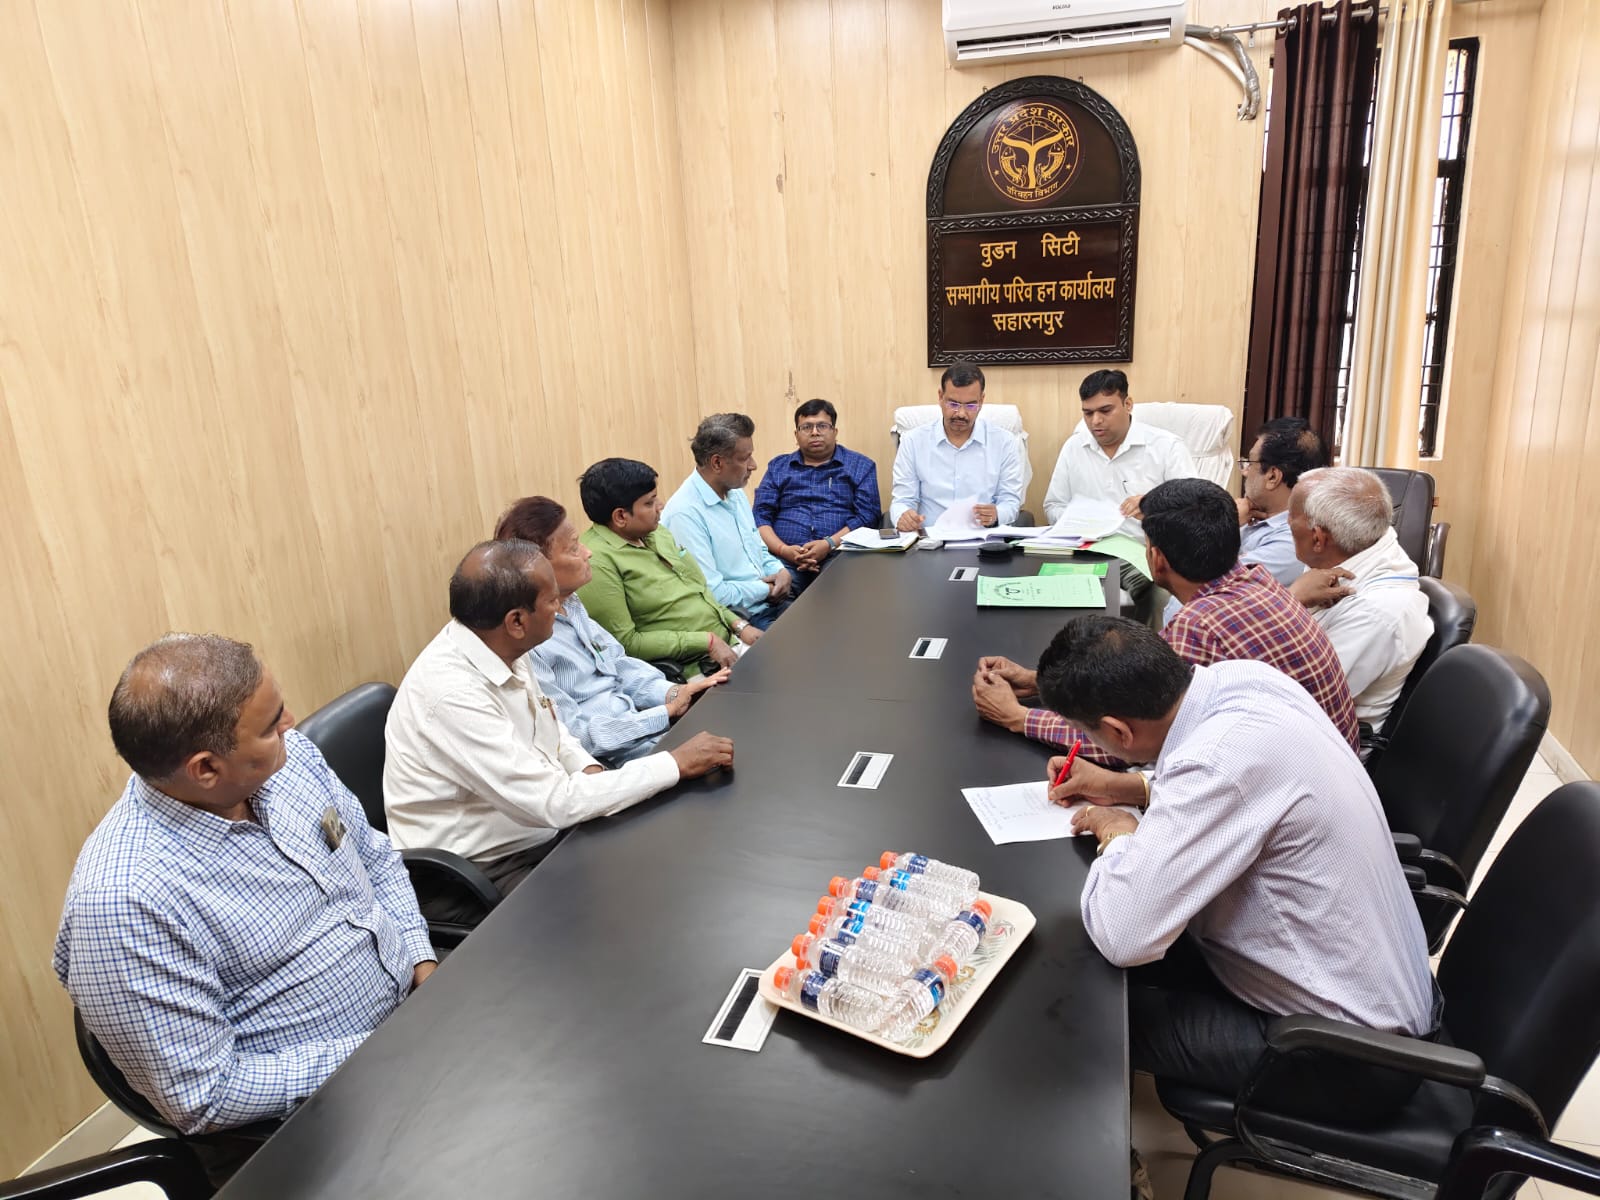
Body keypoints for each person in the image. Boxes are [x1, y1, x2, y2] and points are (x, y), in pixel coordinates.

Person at [1040, 616, 1437, 1122]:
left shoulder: (1217, 763)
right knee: (1103, 961)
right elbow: (1242, 782)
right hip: (1378, 991)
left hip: (1346, 1054)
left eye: (1089, 733)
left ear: (1118, 730)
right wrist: (1127, 787)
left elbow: (1123, 935)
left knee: (1083, 1012)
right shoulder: (1245, 679)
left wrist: (1119, 833)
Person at [55, 634, 436, 1138]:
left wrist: (423, 965)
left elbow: (375, 857)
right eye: (271, 725)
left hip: (416, 1016)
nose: (291, 723)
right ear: (206, 769)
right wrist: (388, 1048)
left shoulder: (288, 762)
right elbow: (206, 1095)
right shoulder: (125, 902)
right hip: (319, 1115)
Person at [384, 540, 734, 923]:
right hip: (479, 868)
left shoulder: (498, 644)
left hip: (534, 827)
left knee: (656, 846)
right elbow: (552, 803)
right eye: (552, 601)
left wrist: (590, 770)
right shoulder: (452, 694)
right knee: (625, 908)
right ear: (517, 621)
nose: (561, 608)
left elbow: (551, 726)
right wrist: (674, 763)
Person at [975, 478, 1360, 753]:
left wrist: (1017, 717)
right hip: (1333, 777)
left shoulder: (1200, 626)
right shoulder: (1257, 581)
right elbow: (1137, 678)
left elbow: (1133, 740)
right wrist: (1040, 682)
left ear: (1156, 558)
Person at [495, 495, 728, 764]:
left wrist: (674, 693)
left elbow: (618, 664)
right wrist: (664, 713)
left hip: (648, 730)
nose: (588, 552)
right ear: (539, 569)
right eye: (574, 548)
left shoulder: (570, 603)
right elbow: (576, 737)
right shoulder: (528, 643)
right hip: (617, 761)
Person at [576, 457, 761, 678]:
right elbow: (625, 643)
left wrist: (738, 624)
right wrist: (706, 641)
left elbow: (698, 591)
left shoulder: (656, 533)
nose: (660, 505)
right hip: (693, 670)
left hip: (731, 641)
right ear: (621, 516)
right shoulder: (597, 562)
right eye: (649, 503)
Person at [1288, 466, 1432, 733]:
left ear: (1318, 538)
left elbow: (1290, 698)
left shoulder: (1377, 613)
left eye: (1290, 518)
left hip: (1321, 738)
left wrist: (1290, 601)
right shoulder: (1361, 543)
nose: (1287, 524)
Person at [661, 413, 793, 629]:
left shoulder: (734, 491)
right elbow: (713, 593)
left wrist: (780, 571)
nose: (753, 465)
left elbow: (758, 550)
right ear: (717, 463)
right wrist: (765, 590)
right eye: (745, 458)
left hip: (768, 602)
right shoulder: (685, 514)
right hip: (738, 619)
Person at [1041, 370, 1196, 538]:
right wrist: (1078, 521)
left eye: (1105, 410)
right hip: (1086, 545)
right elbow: (1054, 505)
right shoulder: (1074, 446)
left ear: (1128, 404)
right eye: (1088, 413)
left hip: (1142, 547)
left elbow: (1194, 511)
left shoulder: (1167, 447)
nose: (1095, 421)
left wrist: (1153, 506)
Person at [752, 398, 881, 596]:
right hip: (784, 558)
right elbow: (760, 516)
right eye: (806, 427)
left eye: (822, 426)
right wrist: (784, 550)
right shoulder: (778, 467)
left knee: (838, 596)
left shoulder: (860, 466)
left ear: (835, 431)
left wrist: (828, 544)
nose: (814, 432)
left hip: (839, 555)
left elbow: (868, 516)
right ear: (796, 435)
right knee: (777, 596)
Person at [890, 360, 1024, 532]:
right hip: (929, 540)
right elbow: (902, 500)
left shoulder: (1004, 442)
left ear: (981, 401)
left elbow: (1010, 501)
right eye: (953, 404)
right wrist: (903, 516)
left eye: (970, 405)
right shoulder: (913, 442)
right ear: (940, 396)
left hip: (982, 540)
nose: (961, 413)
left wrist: (997, 514)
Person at [1236, 416, 1330, 587]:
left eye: (1249, 463)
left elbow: (1208, 588)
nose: (1245, 472)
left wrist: (1225, 526)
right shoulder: (1249, 513)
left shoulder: (1292, 541)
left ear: (1272, 476)